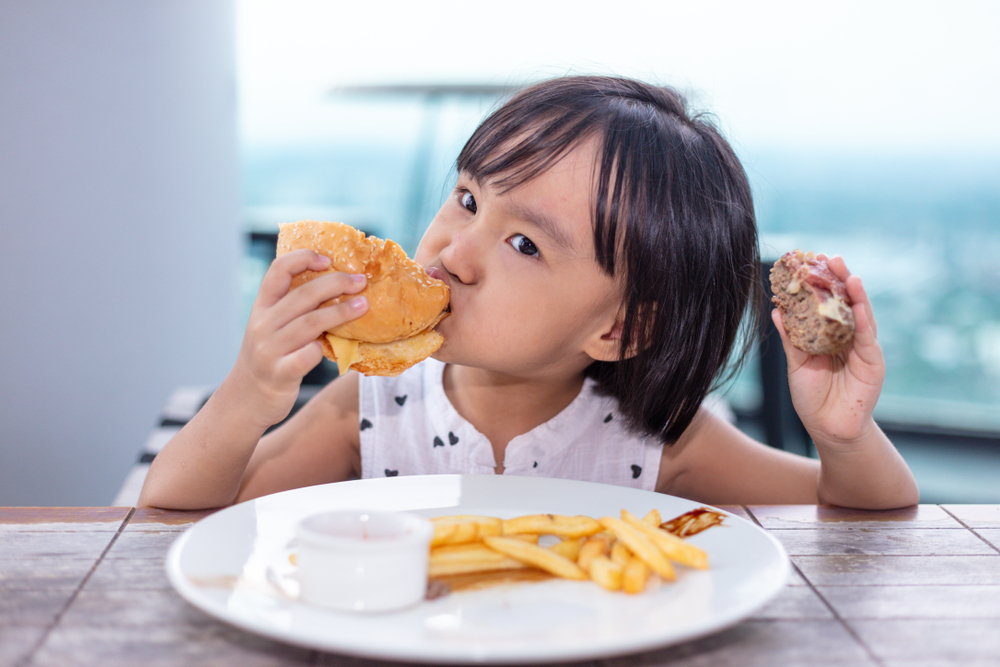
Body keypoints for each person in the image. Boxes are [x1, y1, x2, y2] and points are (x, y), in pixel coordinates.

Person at [138, 76, 918, 511]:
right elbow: (176, 508)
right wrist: (248, 391)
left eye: (524, 243)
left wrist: (845, 438)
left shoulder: (658, 443)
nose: (454, 249)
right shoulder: (371, 410)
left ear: (619, 327)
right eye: (470, 199)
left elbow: (861, 516)